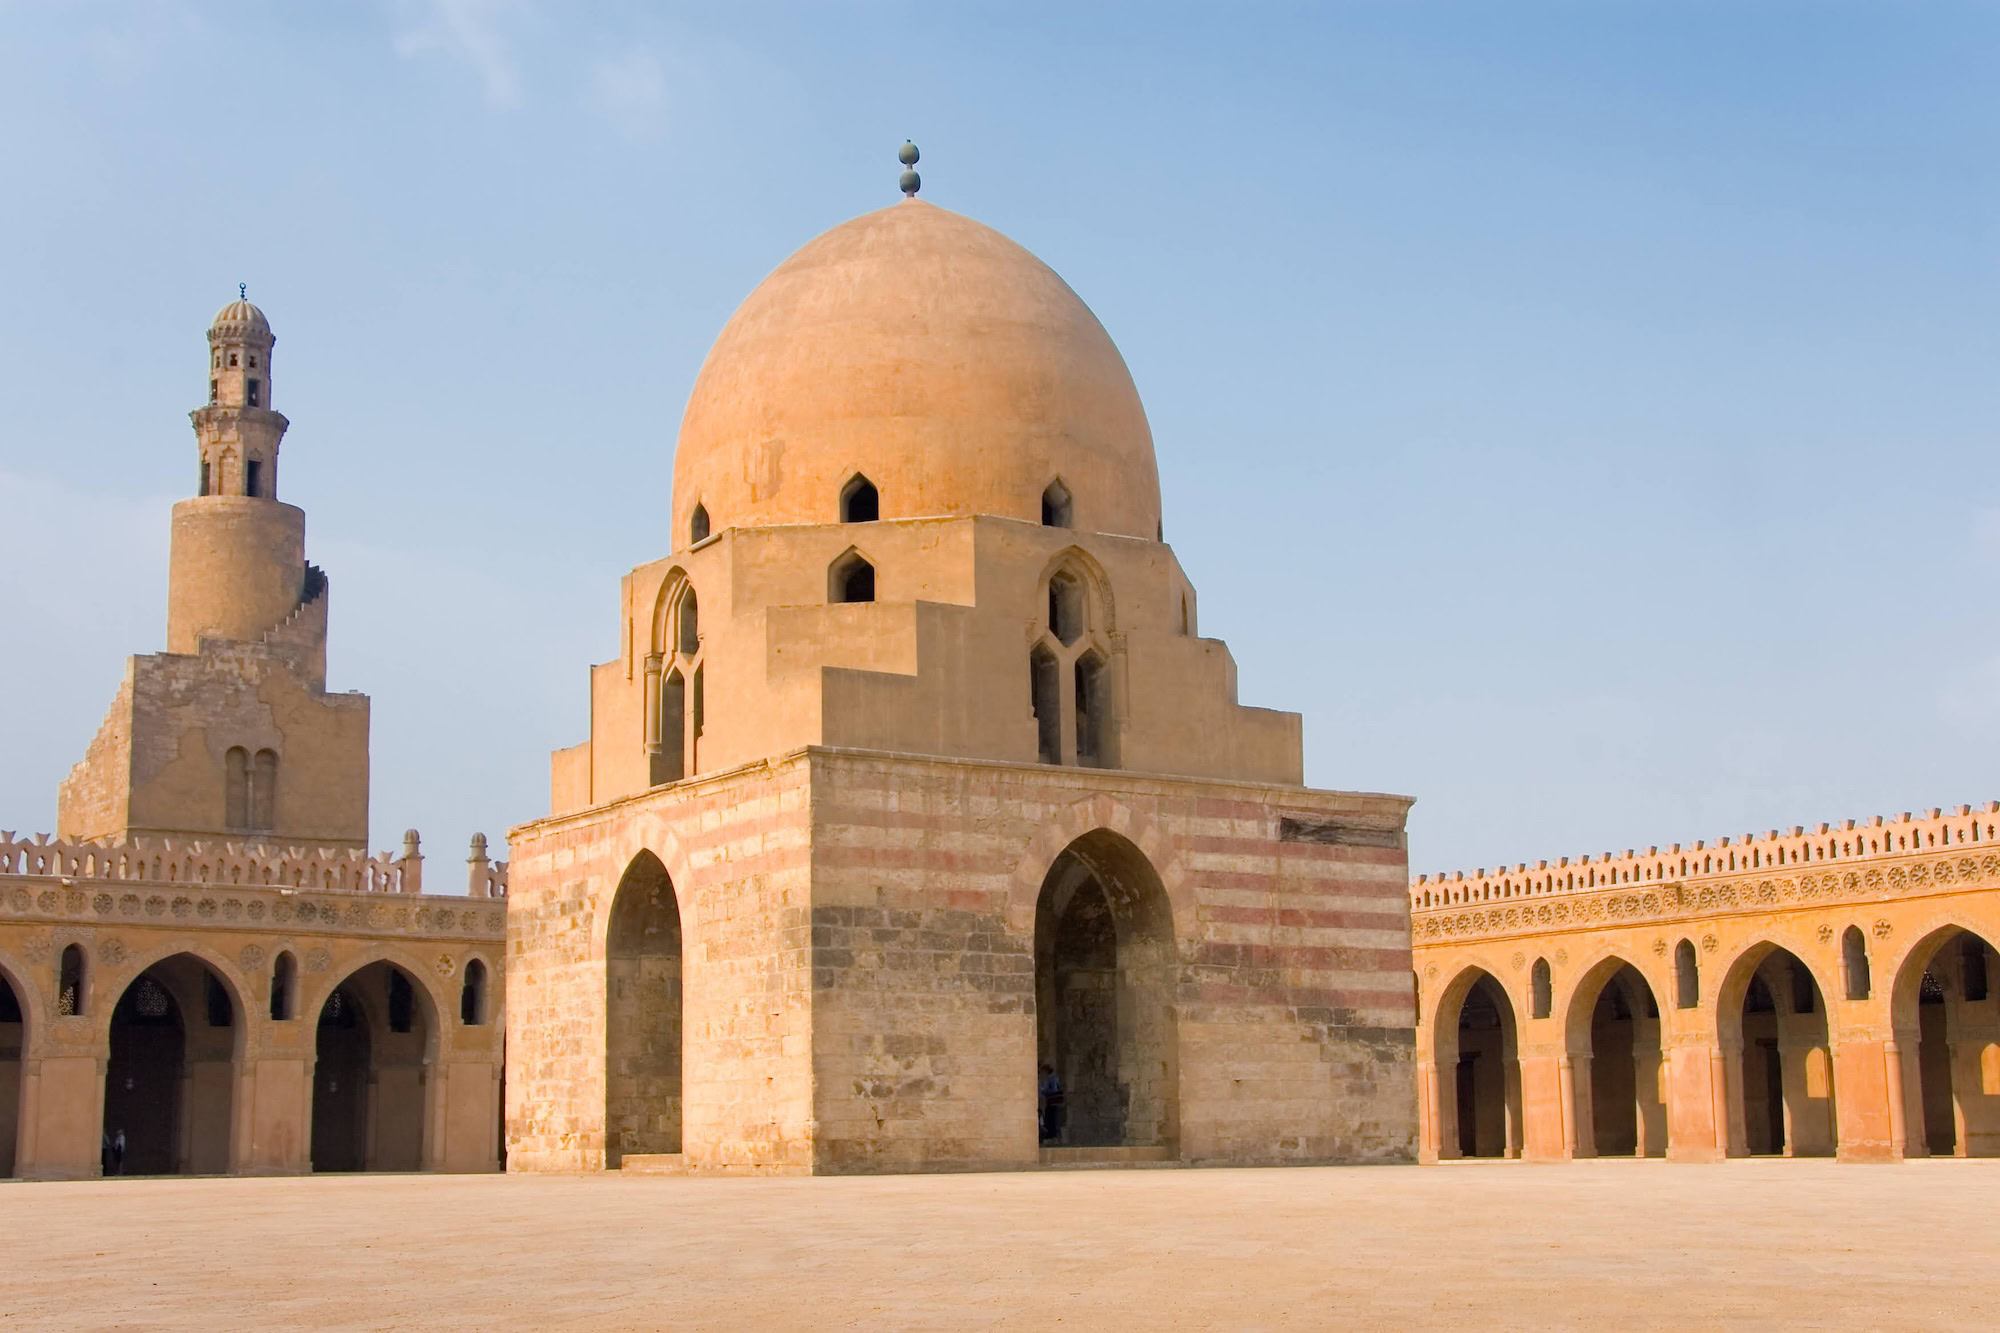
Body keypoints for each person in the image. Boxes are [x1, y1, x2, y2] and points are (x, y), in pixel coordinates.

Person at [1037, 1064, 1063, 1145]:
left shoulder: (1052, 1078)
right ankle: (1050, 1137)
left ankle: (1053, 1137)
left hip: (1053, 1102)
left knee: (1052, 1120)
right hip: (1049, 1102)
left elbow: (1054, 1090)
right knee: (1048, 1119)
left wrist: (1044, 1091)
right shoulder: (1048, 1079)